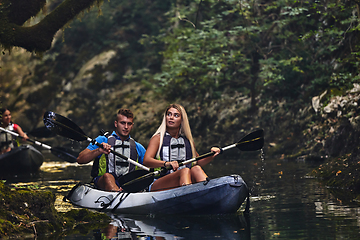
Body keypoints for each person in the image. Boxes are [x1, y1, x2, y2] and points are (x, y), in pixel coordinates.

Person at [143, 103, 221, 192]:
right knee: (184, 171)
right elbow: (146, 161)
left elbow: (197, 162)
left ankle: (210, 193)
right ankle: (190, 196)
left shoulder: (188, 141)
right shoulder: (157, 138)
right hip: (159, 183)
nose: (171, 117)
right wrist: (166, 163)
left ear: (182, 120)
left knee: (196, 169)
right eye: (169, 114)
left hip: (182, 181)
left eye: (176, 115)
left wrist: (212, 155)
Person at [77, 109, 146, 192]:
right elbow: (80, 159)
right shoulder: (102, 140)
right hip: (103, 181)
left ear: (132, 125)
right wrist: (99, 150)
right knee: (107, 176)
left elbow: (150, 167)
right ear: (116, 124)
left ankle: (122, 194)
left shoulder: (138, 147)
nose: (126, 127)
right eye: (123, 123)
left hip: (127, 183)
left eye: (129, 124)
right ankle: (118, 194)